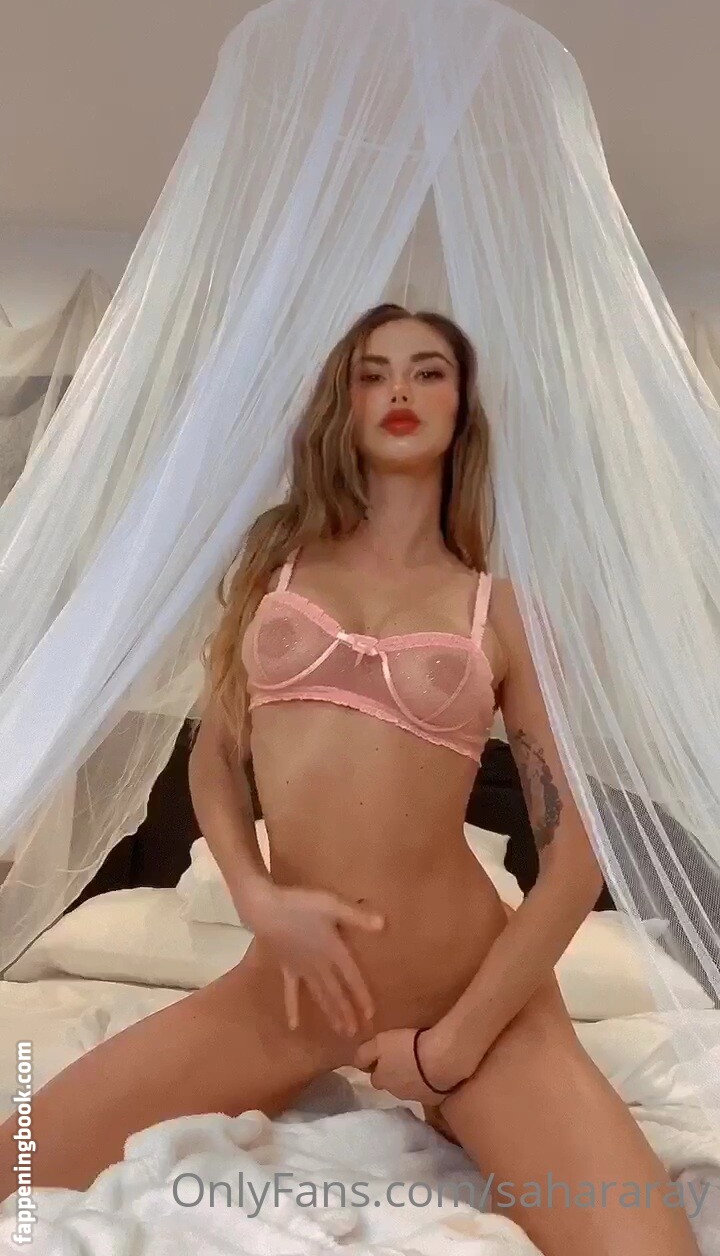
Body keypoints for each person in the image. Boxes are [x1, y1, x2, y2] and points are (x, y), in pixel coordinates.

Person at [0, 304, 701, 1255]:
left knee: (651, 1251)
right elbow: (217, 756)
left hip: (464, 996)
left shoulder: (501, 611)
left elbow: (575, 856)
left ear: (463, 407)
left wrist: (452, 1048)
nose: (400, 389)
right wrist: (255, 896)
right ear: (345, 402)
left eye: (428, 371)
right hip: (287, 992)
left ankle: (469, 1086)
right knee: (15, 1165)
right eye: (374, 372)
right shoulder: (274, 572)